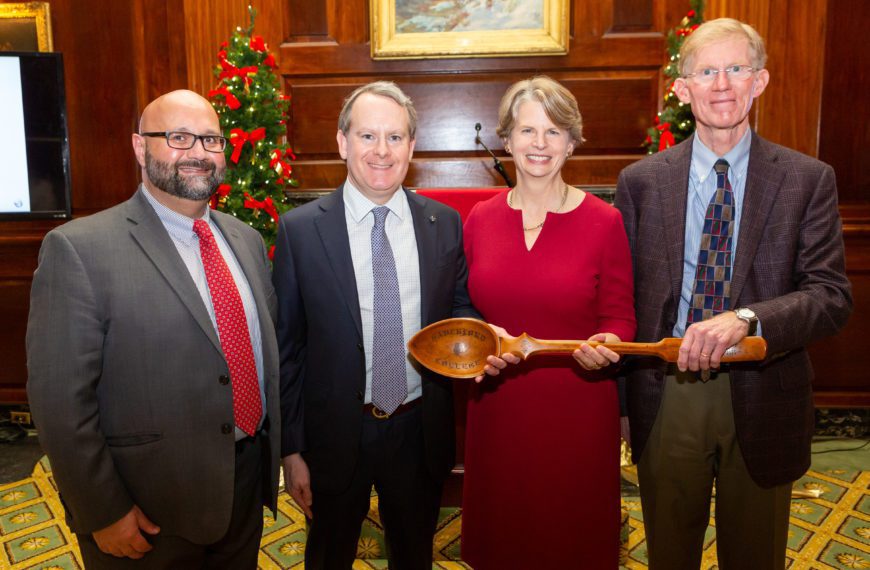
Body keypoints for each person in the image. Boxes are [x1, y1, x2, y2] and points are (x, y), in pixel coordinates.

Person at [614, 18, 853, 569]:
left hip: (765, 388)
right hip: (667, 389)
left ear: (759, 81)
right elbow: (623, 297)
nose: (721, 84)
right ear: (682, 88)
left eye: (736, 69)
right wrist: (619, 404)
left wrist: (748, 318)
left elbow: (831, 294)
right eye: (706, 71)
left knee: (754, 556)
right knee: (670, 554)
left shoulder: (806, 179)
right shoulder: (641, 182)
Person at [26, 89, 281, 569]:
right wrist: (102, 510)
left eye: (210, 140)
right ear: (141, 148)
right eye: (179, 138)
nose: (199, 154)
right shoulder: (79, 250)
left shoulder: (245, 240)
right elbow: (60, 402)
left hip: (243, 489)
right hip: (146, 510)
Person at [272, 81, 479, 569]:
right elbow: (288, 348)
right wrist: (292, 449)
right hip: (333, 435)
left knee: (414, 556)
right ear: (343, 143)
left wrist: (475, 341)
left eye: (395, 137)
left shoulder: (444, 223)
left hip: (416, 429)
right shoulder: (300, 231)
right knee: (328, 555)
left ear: (411, 146)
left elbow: (461, 309)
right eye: (367, 136)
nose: (381, 151)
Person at [460, 76, 637, 569]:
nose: (540, 143)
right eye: (527, 130)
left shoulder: (605, 221)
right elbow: (464, 307)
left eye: (554, 131)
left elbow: (621, 314)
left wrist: (612, 341)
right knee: (503, 540)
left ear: (572, 142)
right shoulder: (479, 219)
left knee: (570, 540)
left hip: (577, 405)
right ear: (507, 139)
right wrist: (478, 334)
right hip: (498, 407)